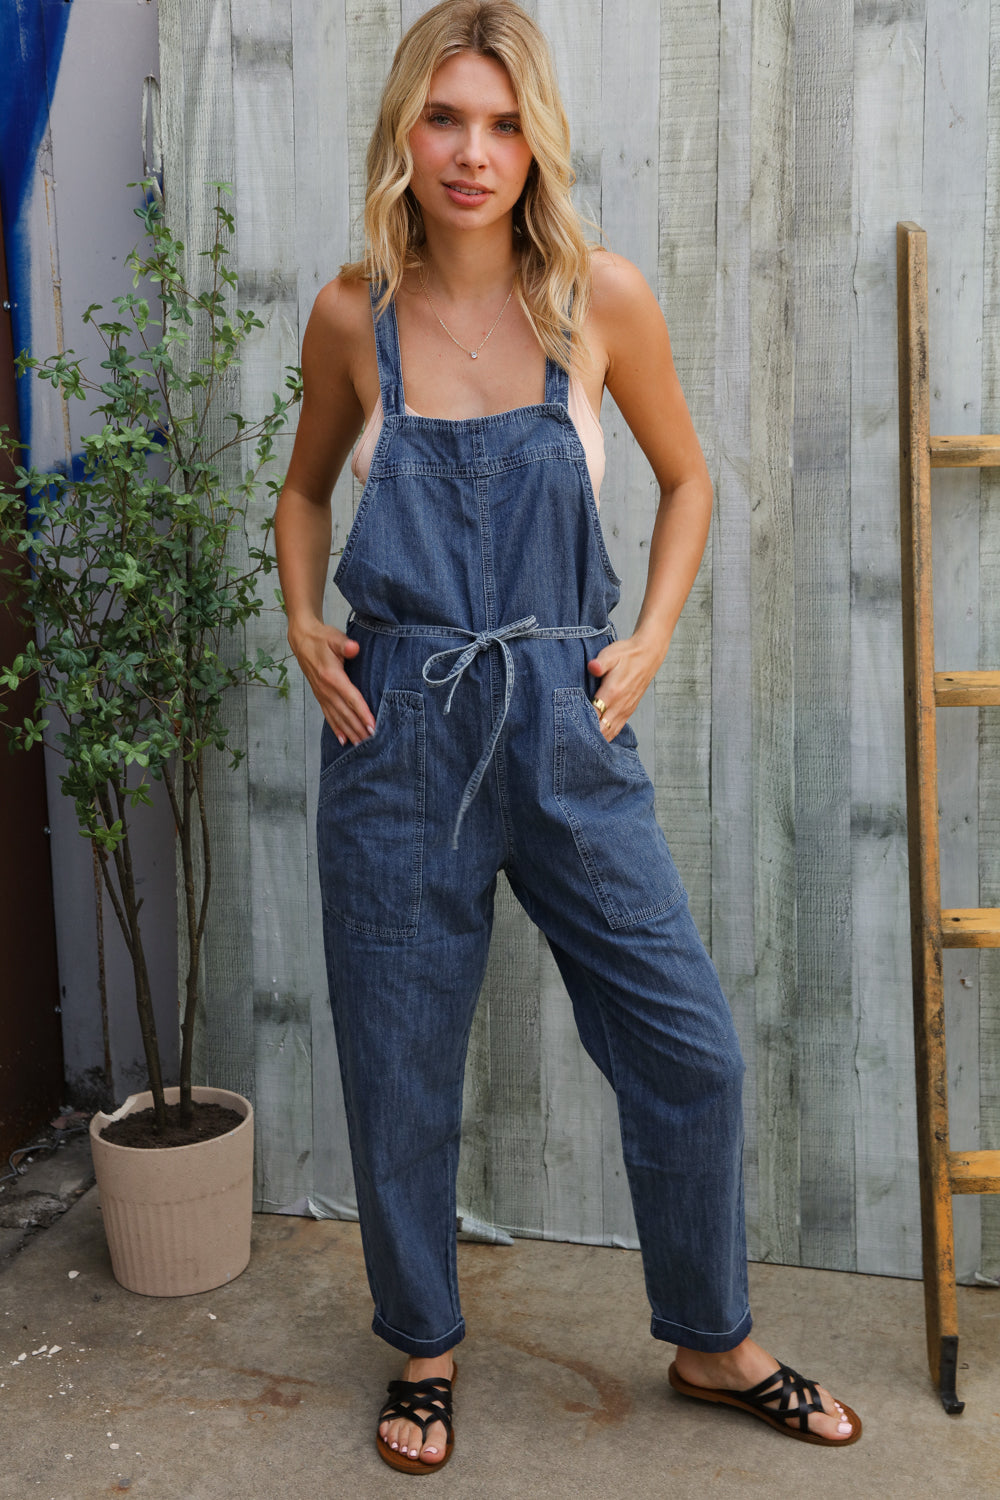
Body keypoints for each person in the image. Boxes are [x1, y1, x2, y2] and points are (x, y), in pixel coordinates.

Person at [275, 0, 861, 1473]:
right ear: (405, 133)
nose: (472, 153)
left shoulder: (600, 300)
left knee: (688, 1045)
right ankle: (424, 1345)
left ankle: (713, 1338)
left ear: (537, 143)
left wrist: (648, 637)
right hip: (398, 727)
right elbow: (301, 493)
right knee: (399, 1062)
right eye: (444, 118)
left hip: (561, 716)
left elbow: (688, 480)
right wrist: (302, 621)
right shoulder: (352, 314)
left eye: (502, 123)